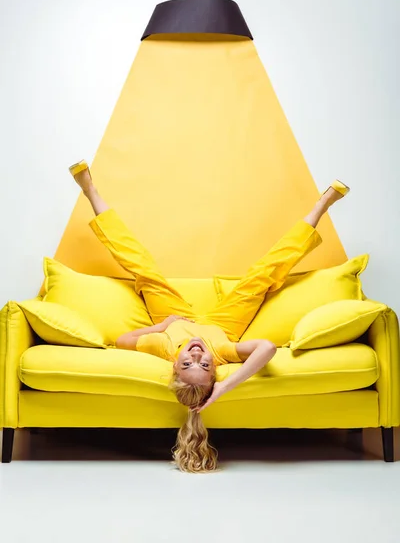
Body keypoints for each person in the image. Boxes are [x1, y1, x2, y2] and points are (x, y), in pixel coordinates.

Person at [69, 160, 349, 472]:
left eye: (188, 363)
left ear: (175, 366)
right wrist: (225, 387)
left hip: (173, 318)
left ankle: (90, 191)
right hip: (225, 323)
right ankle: (321, 206)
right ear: (215, 369)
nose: (197, 354)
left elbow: (123, 341)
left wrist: (163, 325)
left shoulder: (163, 348)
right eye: (205, 366)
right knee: (263, 274)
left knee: (142, 267)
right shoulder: (221, 352)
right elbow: (267, 348)